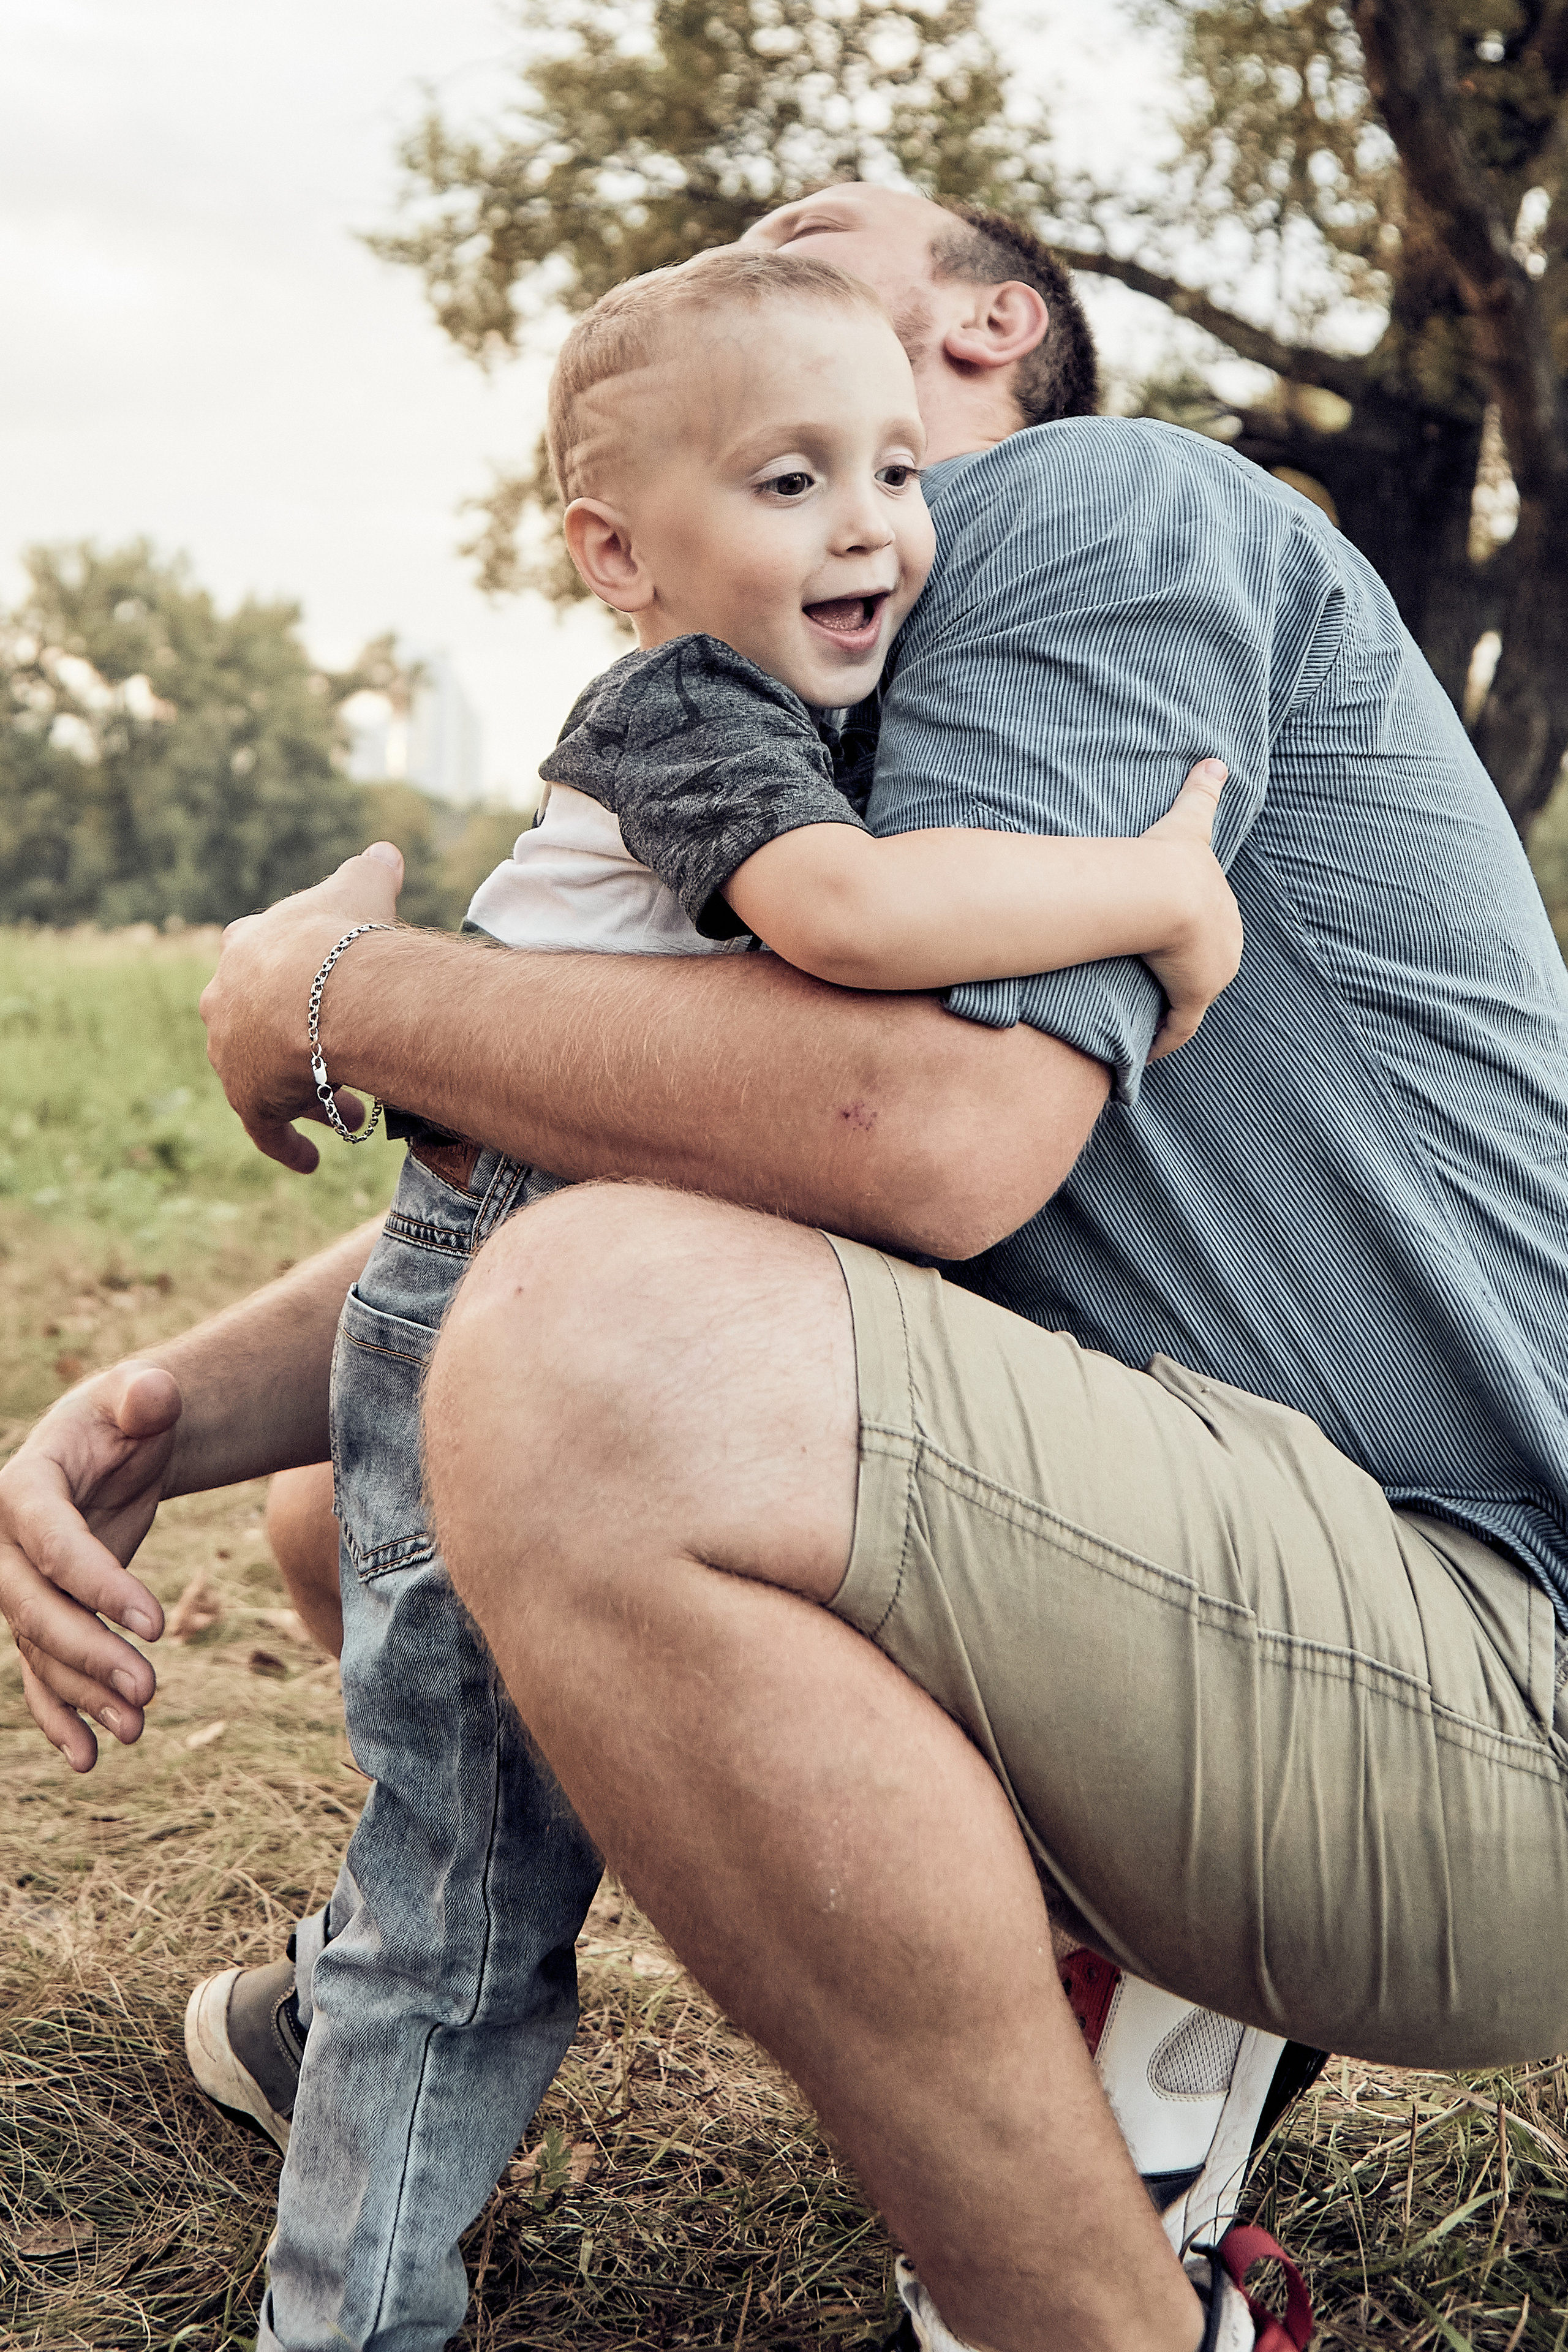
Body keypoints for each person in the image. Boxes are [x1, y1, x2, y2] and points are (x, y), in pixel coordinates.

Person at [5, 178, 1567, 2352]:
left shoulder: (1094, 508)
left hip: (1491, 1669)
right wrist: (160, 1411)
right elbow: (645, 1139)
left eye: (812, 243)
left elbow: (920, 1129)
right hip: (1272, 1581)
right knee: (367, 1472)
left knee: (575, 1370)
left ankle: (1114, 2296)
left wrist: (335, 992)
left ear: (993, 329)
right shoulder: (833, 703)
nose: (754, 272)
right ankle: (429, 1970)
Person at [188, 240, 1251, 2352]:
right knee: (460, 1907)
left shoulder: (802, 699)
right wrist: (1156, 887)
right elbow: (847, 917)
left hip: (583, 1299)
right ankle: (348, 2310)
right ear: (618, 554)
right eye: (789, 482)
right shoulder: (684, 713)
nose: (870, 525)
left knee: (487, 1880)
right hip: (496, 1303)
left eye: (895, 472)